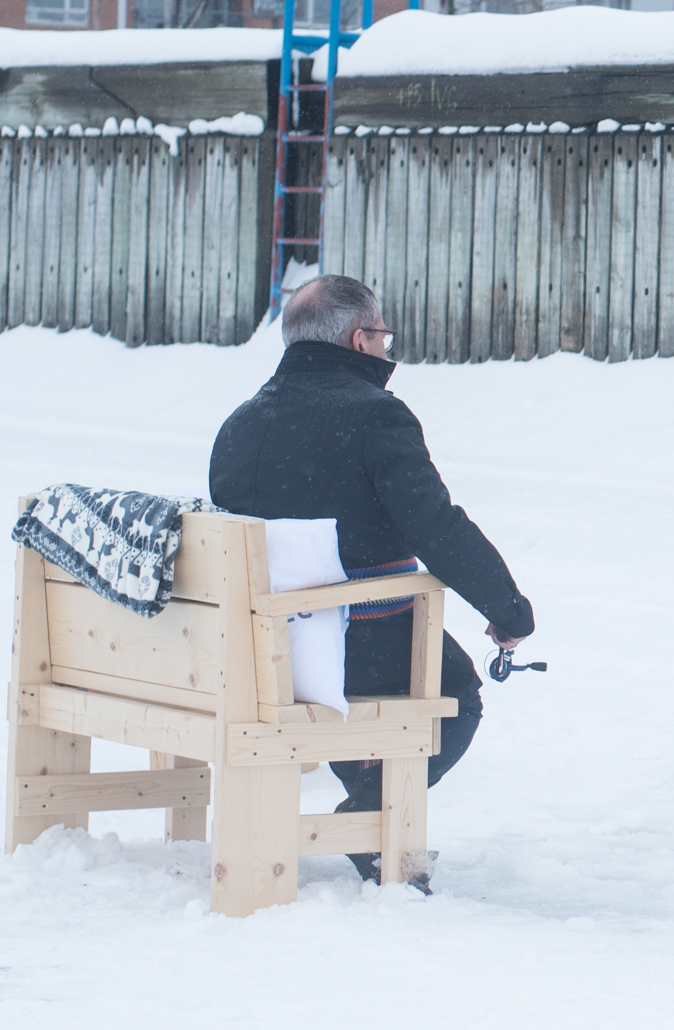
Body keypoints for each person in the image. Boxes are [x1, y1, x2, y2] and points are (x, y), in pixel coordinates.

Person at [210, 274, 535, 886]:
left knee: (385, 679)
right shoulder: (374, 416)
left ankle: (371, 813)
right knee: (455, 693)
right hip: (352, 639)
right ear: (360, 340)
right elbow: (434, 526)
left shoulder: (241, 422)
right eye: (384, 336)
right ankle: (370, 820)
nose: (388, 349)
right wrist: (507, 607)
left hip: (258, 649)